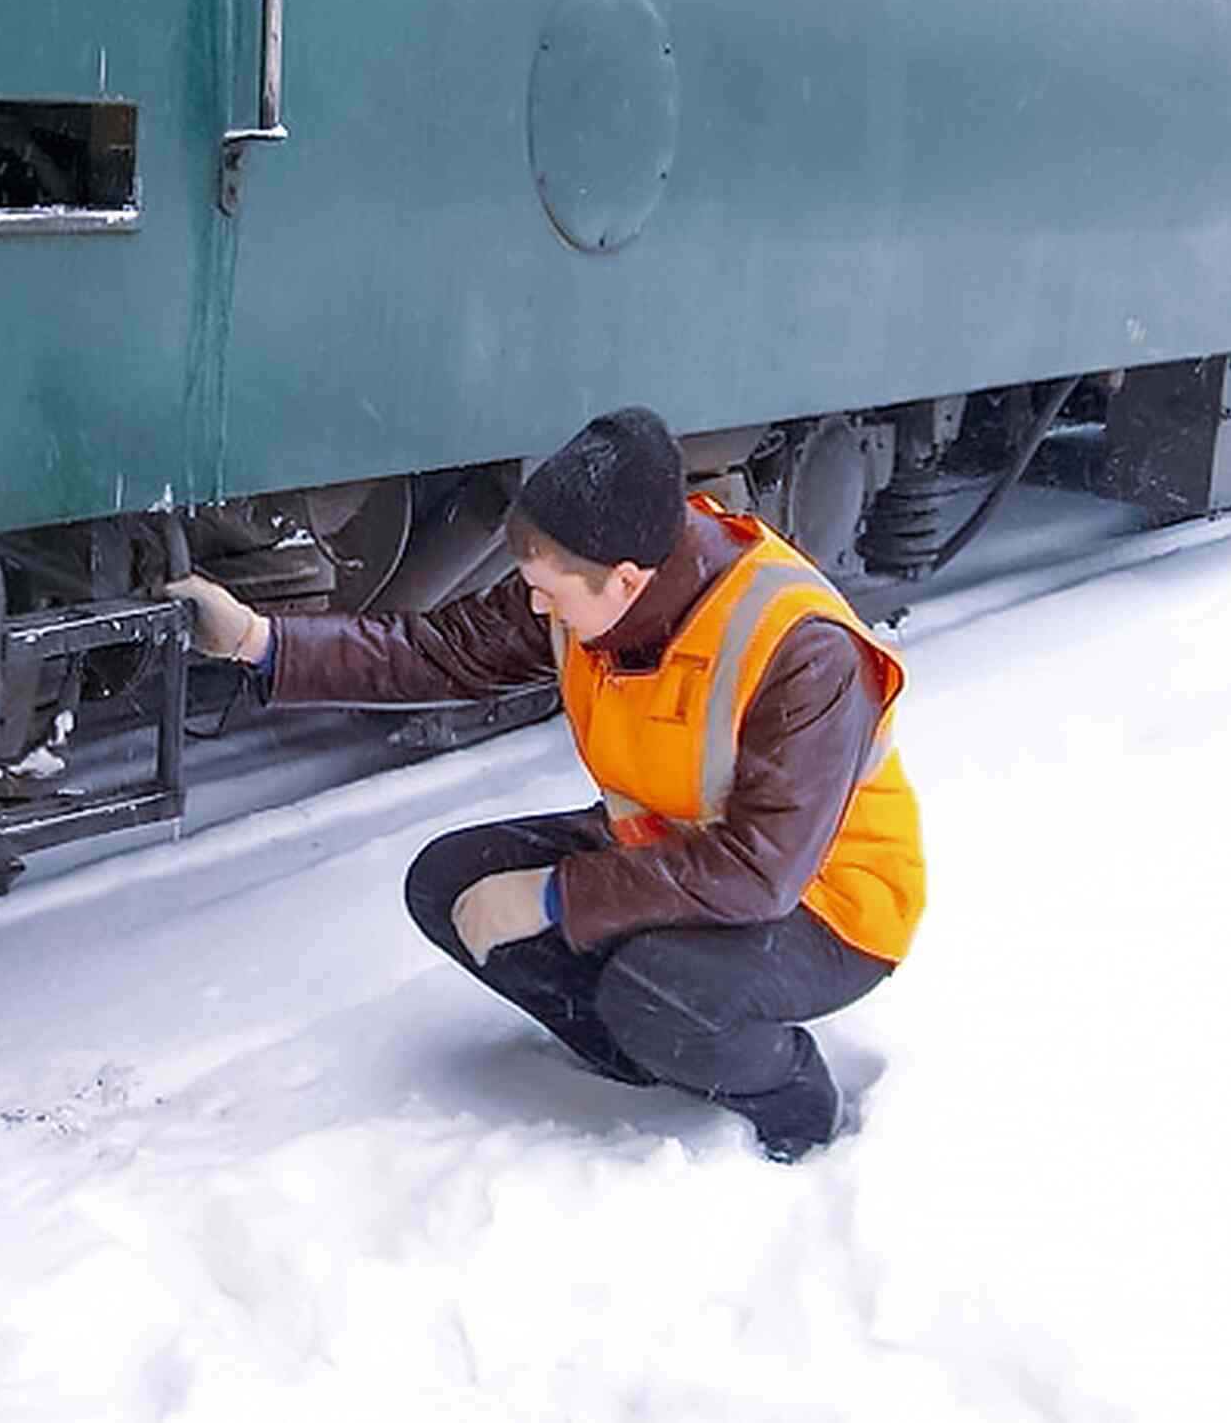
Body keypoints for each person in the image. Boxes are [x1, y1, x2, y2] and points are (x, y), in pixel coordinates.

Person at [169, 407, 923, 1161]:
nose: (536, 609)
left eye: (547, 593)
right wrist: (257, 641)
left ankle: (792, 1101)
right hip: (675, 853)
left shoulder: (802, 651)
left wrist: (556, 895)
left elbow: (761, 872)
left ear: (627, 582)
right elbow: (439, 653)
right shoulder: (589, 585)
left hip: (825, 906)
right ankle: (643, 1054)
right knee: (449, 882)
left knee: (656, 989)